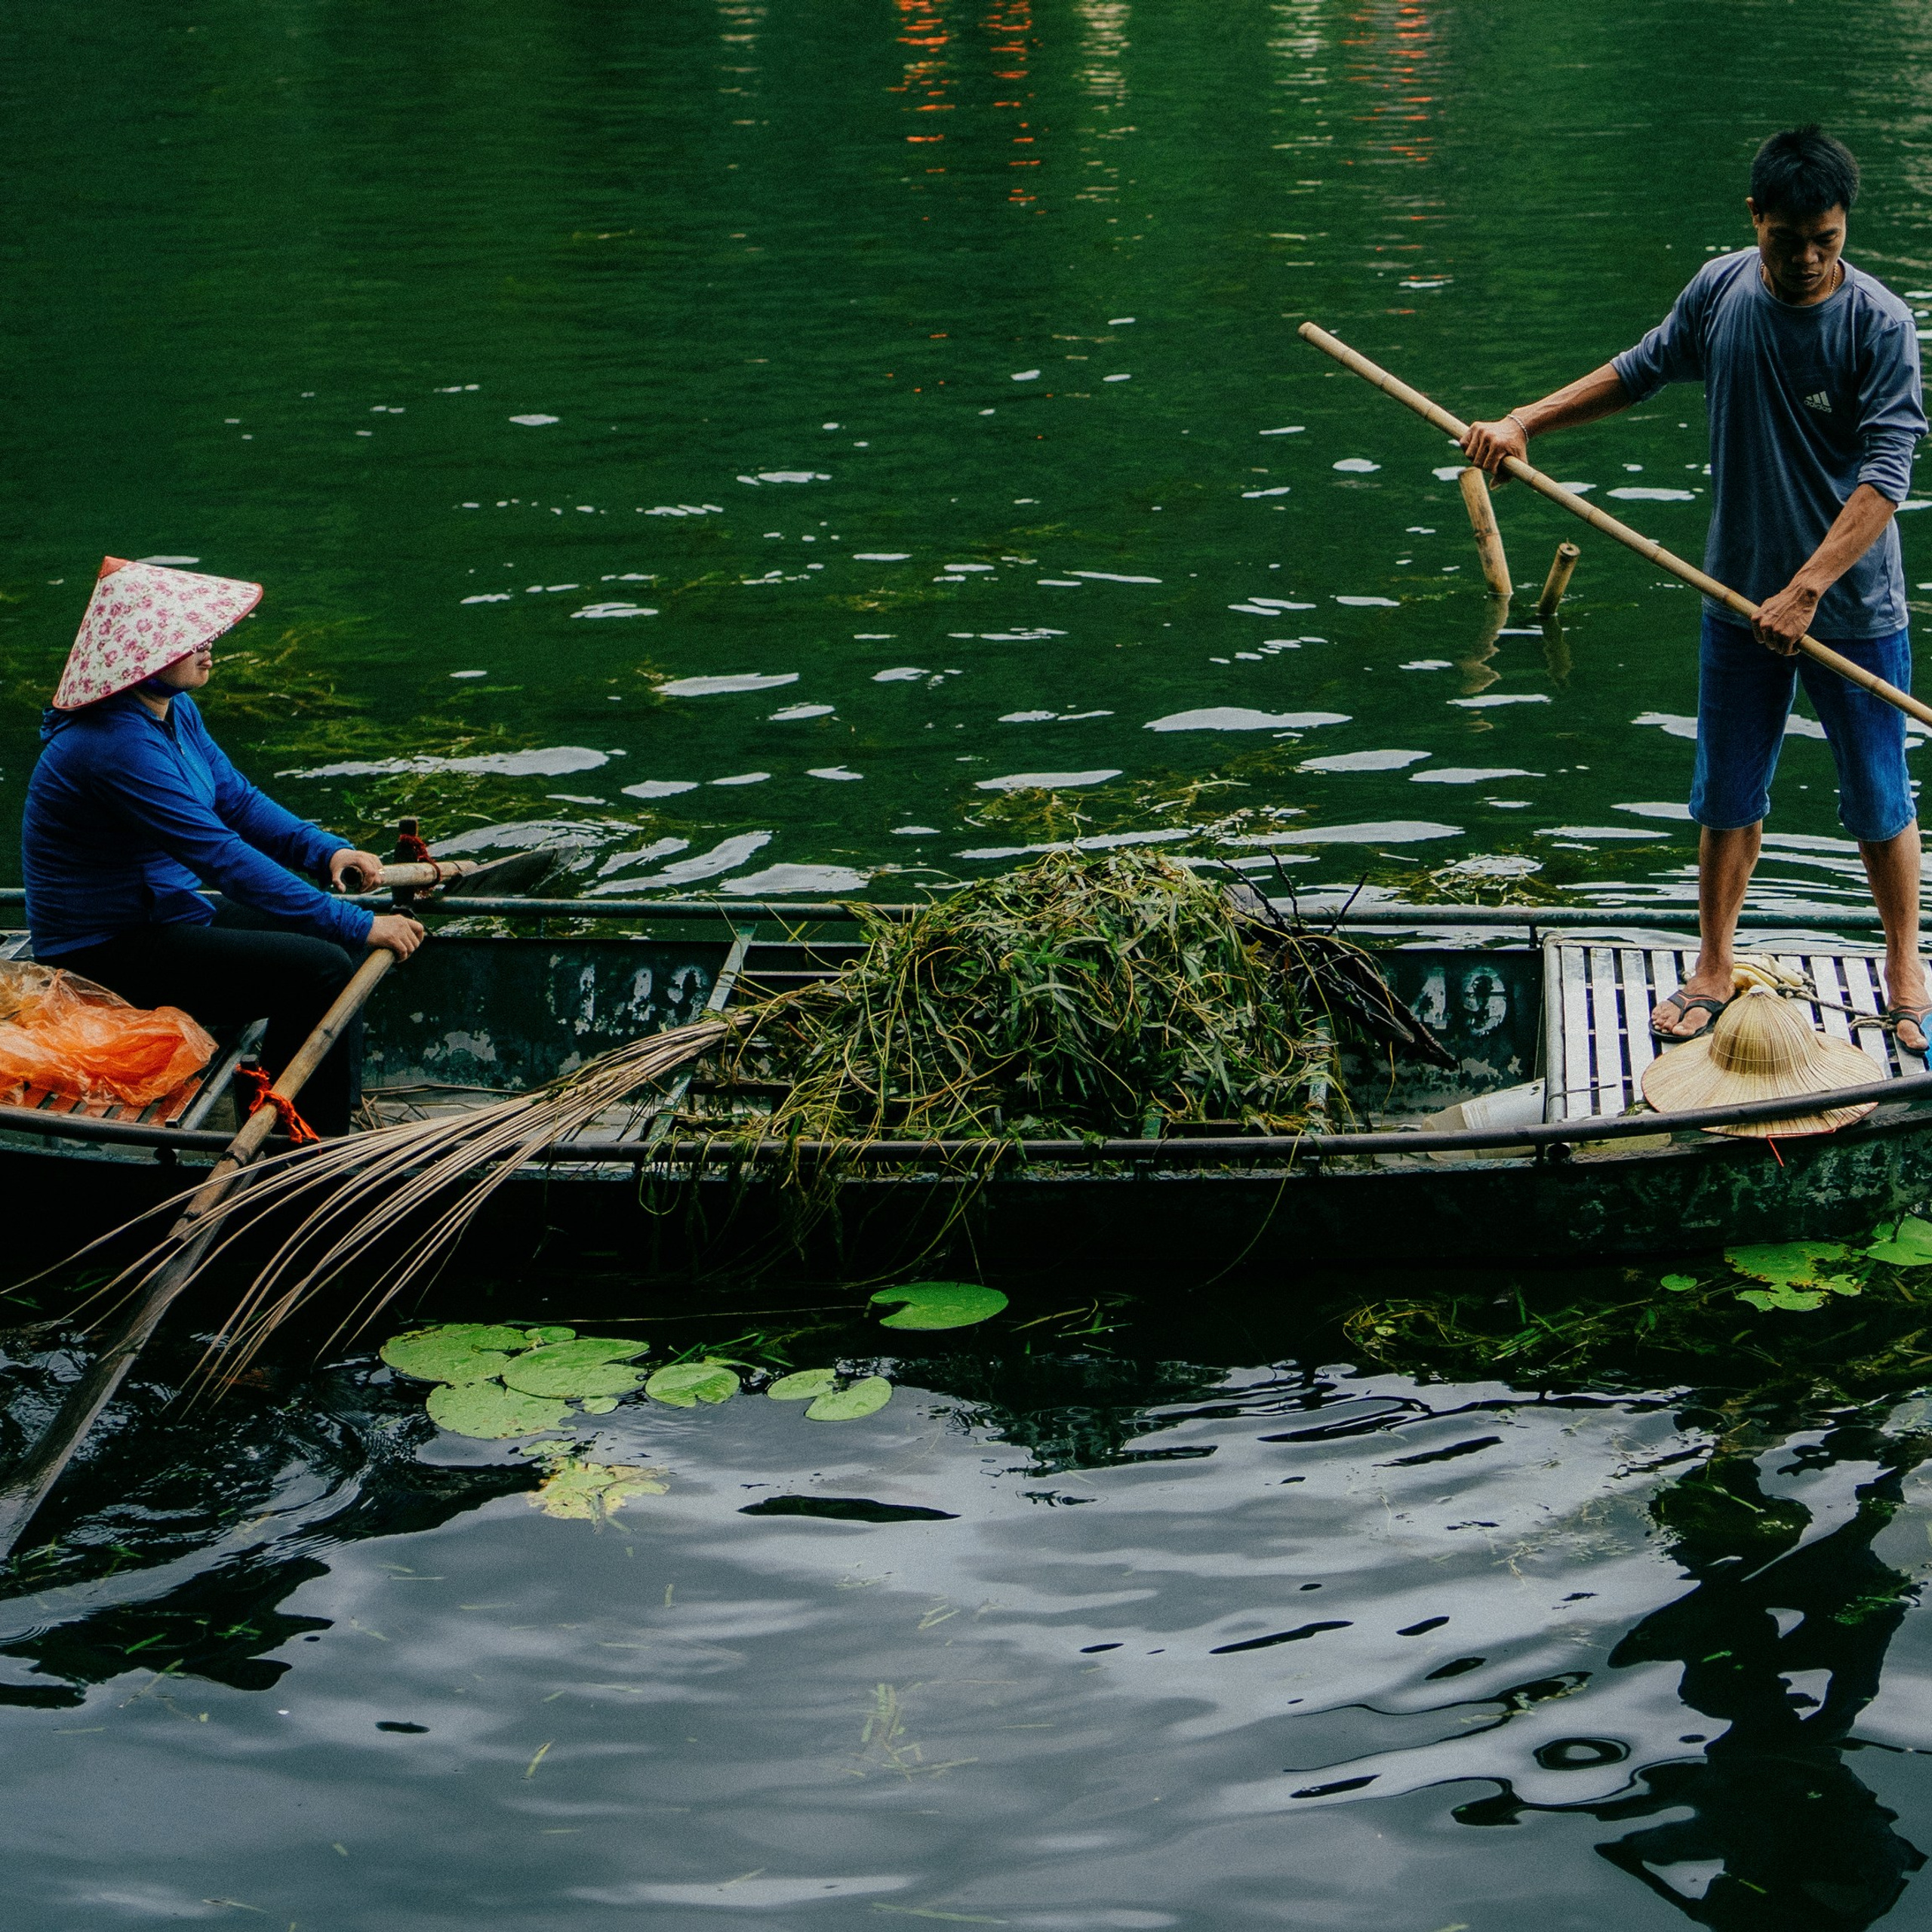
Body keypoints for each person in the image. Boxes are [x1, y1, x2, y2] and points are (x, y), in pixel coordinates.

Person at [1460, 125, 1930, 1051]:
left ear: (1844, 229)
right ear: (1753, 217)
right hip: (1736, 600)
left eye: (1824, 241)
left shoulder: (1879, 324)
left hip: (1850, 608)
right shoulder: (1719, 291)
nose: (1804, 260)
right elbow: (1638, 371)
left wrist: (1805, 589)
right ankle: (1713, 962)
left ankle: (1905, 966)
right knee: (1724, 792)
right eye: (1785, 238)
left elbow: (1886, 475)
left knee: (1878, 796)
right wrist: (1523, 422)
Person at [20, 557, 425, 1133]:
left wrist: (325, 851)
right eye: (188, 639)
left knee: (333, 941)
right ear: (144, 657)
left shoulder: (174, 710)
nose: (210, 645)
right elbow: (221, 856)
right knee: (323, 966)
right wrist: (354, 923)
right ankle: (303, 1144)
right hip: (104, 950)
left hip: (167, 911)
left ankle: (332, 1110)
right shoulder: (112, 746)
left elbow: (234, 799)